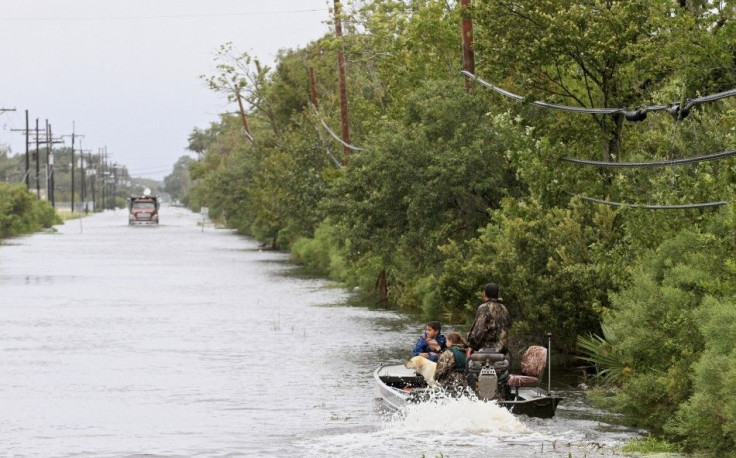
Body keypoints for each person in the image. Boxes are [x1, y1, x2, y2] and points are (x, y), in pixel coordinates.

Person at [467, 282, 511, 354]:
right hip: (504, 349)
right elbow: (508, 325)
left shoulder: (484, 307)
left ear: (485, 294)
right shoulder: (504, 308)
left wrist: (471, 345)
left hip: (489, 349)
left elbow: (479, 331)